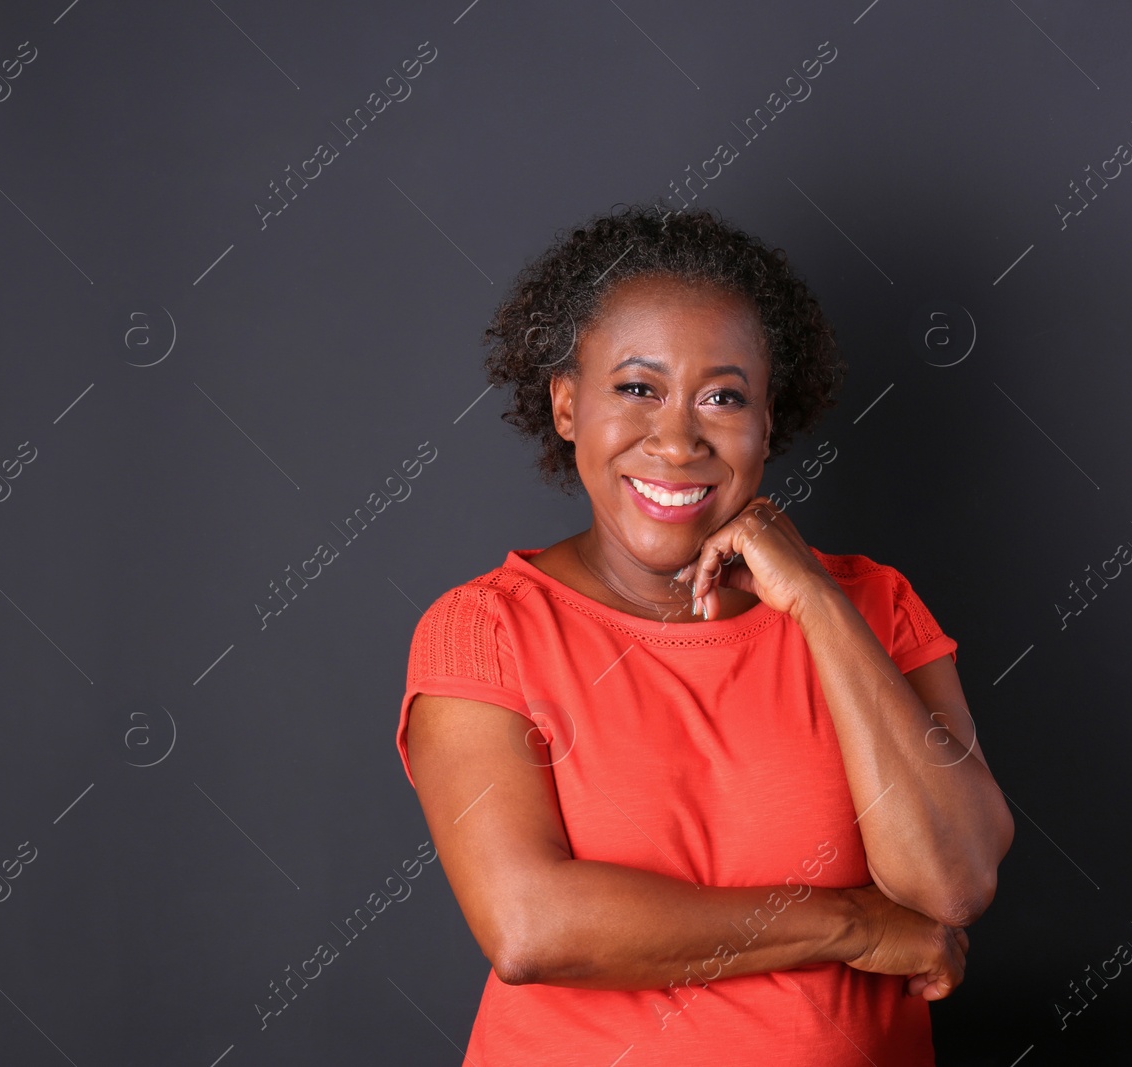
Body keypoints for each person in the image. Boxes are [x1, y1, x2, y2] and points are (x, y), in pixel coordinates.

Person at [395, 202, 1014, 1064]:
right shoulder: (485, 631)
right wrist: (852, 925)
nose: (678, 437)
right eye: (637, 388)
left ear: (770, 422)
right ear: (568, 406)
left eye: (723, 397)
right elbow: (532, 925)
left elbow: (954, 877)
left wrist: (818, 603)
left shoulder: (872, 604)